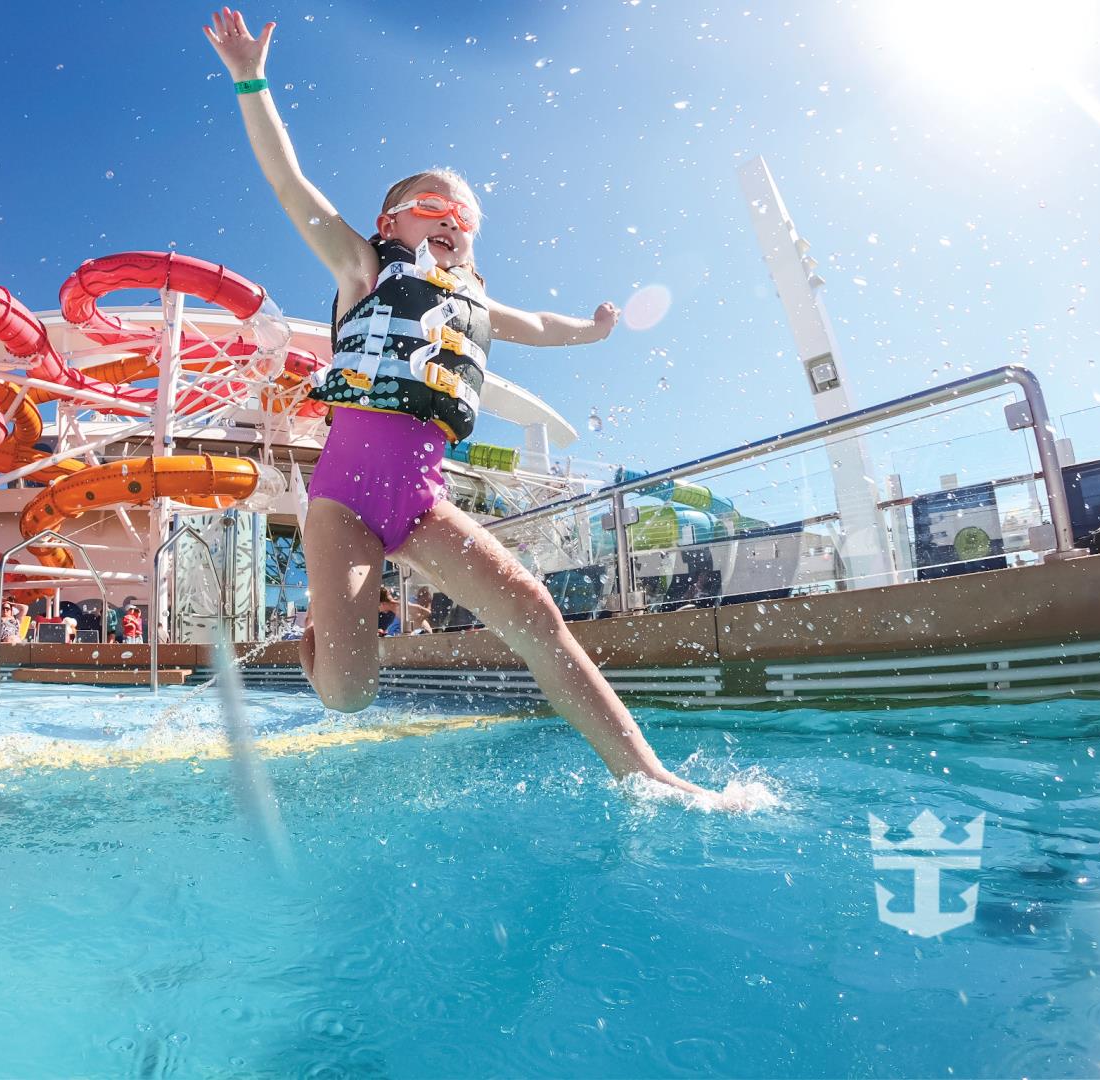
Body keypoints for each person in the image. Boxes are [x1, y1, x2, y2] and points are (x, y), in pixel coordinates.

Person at [205, 9, 742, 804]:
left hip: (422, 503)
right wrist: (251, 79)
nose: (451, 222)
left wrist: (593, 332)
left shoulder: (477, 304)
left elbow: (542, 327)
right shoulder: (362, 266)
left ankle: (647, 772)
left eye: (465, 220)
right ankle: (319, 635)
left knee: (533, 610)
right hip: (344, 505)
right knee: (351, 694)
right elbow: (290, 183)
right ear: (391, 223)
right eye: (432, 207)